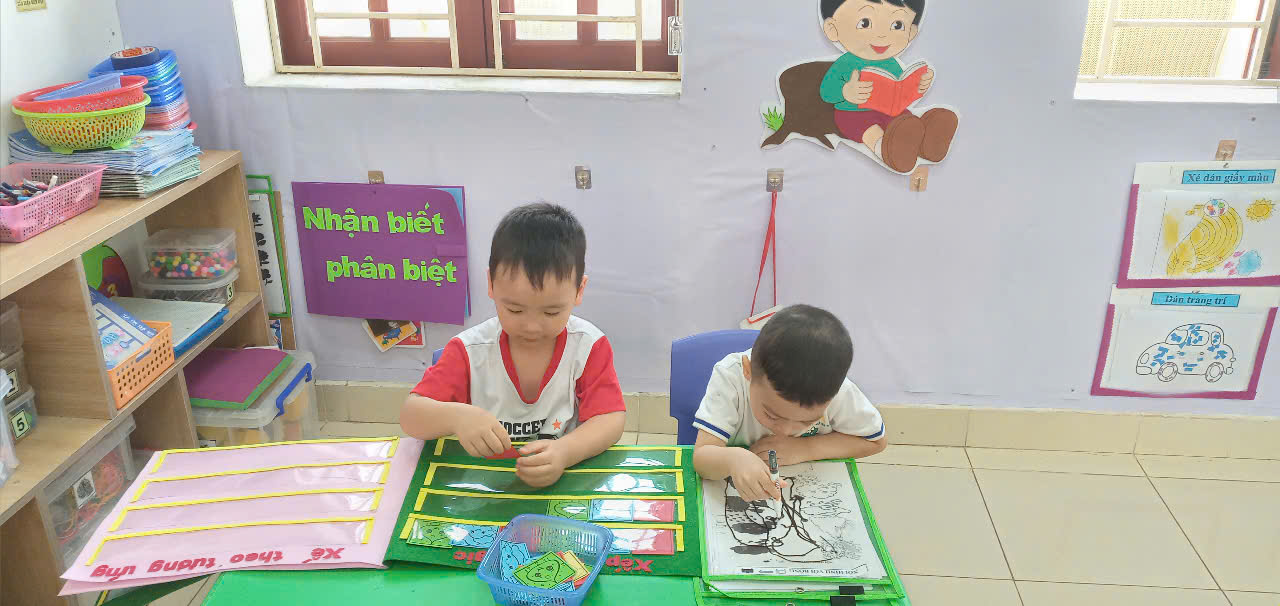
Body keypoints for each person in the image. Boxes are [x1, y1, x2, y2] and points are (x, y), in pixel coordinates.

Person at [400, 202, 625, 487]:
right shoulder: (469, 351)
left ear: (579, 290)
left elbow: (610, 419)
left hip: (561, 482)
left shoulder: (588, 346)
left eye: (551, 312)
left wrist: (566, 451)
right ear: (491, 284)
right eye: (515, 310)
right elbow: (411, 416)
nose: (531, 326)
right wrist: (457, 417)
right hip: (483, 484)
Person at [692, 304, 886, 502]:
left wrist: (805, 448)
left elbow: (875, 441)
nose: (785, 431)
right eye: (772, 415)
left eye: (807, 422)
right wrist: (734, 459)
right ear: (748, 371)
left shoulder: (837, 390)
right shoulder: (731, 377)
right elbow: (701, 458)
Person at [818, 0, 958, 172]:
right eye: (865, 23)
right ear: (833, 29)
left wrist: (919, 85)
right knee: (868, 129)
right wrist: (846, 91)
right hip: (853, 113)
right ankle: (886, 151)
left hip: (889, 111)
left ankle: (926, 142)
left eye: (897, 25)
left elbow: (900, 89)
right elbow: (826, 92)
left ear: (911, 32)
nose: (882, 35)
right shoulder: (845, 63)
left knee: (906, 121)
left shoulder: (892, 64)